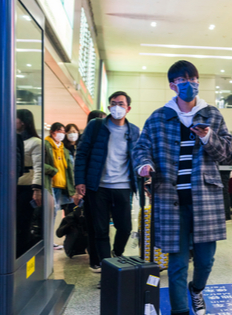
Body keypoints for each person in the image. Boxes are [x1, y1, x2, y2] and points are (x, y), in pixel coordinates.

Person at [133, 60, 232, 315]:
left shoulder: (212, 114)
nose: (190, 84)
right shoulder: (158, 116)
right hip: (169, 198)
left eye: (193, 79)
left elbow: (226, 153)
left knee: (206, 260)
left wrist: (207, 136)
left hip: (206, 198)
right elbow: (142, 147)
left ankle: (197, 290)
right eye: (182, 80)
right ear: (172, 85)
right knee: (176, 264)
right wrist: (144, 164)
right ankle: (180, 311)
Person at [74, 91, 140, 287]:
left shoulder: (134, 130)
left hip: (123, 186)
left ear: (128, 108)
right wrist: (80, 181)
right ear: (109, 106)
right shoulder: (96, 126)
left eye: (121, 103)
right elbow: (82, 154)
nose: (117, 107)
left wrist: (144, 181)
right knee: (100, 230)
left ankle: (117, 254)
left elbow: (138, 158)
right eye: (113, 103)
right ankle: (108, 271)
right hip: (98, 186)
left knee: (125, 228)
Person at [79, 110, 107, 273]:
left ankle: (101, 257)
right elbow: (81, 161)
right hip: (91, 188)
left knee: (100, 226)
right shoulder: (89, 140)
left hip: (103, 188)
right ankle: (95, 259)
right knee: (93, 225)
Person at [16, 109, 44, 257]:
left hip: (27, 187)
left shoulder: (36, 142)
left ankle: (22, 251)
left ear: (23, 122)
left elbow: (39, 168)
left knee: (23, 221)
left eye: (16, 118)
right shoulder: (11, 138)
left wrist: (37, 190)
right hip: (12, 187)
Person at [46, 122, 76, 250]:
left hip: (61, 186)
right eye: (59, 131)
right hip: (50, 184)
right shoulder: (46, 145)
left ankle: (49, 241)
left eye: (63, 132)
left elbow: (68, 170)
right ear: (52, 132)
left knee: (53, 214)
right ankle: (46, 241)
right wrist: (53, 171)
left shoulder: (63, 148)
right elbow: (41, 163)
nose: (62, 134)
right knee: (49, 214)